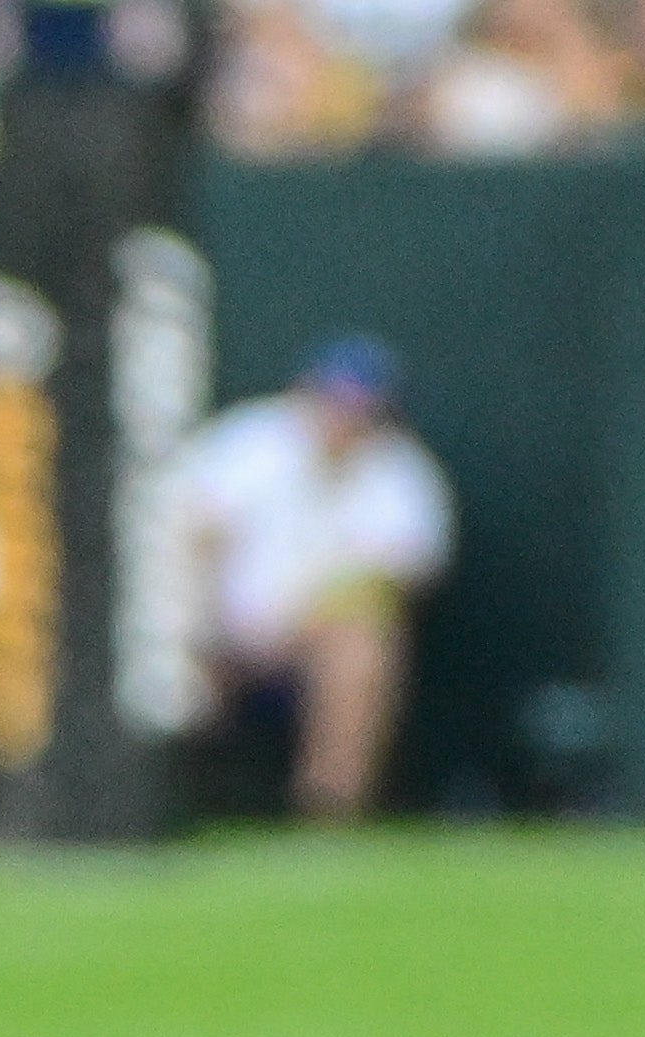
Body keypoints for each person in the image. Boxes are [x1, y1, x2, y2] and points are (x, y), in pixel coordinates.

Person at [177, 333, 454, 821]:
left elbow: (388, 583)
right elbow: (187, 538)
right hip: (207, 625)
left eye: (358, 408)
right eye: (332, 401)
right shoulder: (247, 442)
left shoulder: (399, 473)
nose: (341, 420)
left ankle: (328, 813)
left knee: (363, 645)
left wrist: (287, 631)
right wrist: (207, 626)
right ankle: (163, 808)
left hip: (306, 641)